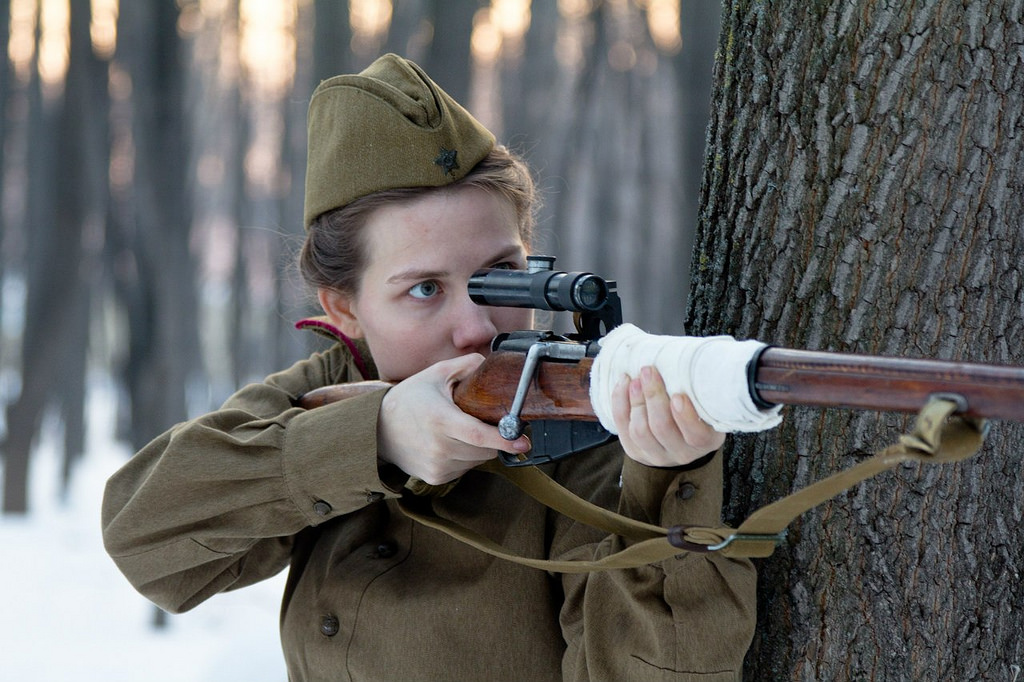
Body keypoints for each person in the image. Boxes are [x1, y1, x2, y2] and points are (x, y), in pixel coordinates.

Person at [103, 54, 756, 681]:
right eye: (424, 289)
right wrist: (375, 437)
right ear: (345, 307)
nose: (474, 327)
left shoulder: (583, 428)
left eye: (499, 278)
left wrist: (668, 485)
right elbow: (145, 537)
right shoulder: (330, 386)